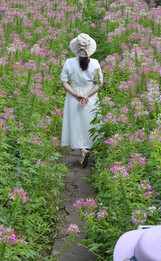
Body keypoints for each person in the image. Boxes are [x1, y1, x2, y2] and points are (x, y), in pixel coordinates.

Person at [60, 33, 103, 167]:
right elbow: (99, 83)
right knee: (89, 123)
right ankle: (88, 149)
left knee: (76, 124)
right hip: (90, 98)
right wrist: (87, 95)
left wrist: (76, 94)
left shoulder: (69, 62)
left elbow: (64, 82)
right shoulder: (95, 63)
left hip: (74, 98)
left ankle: (82, 150)